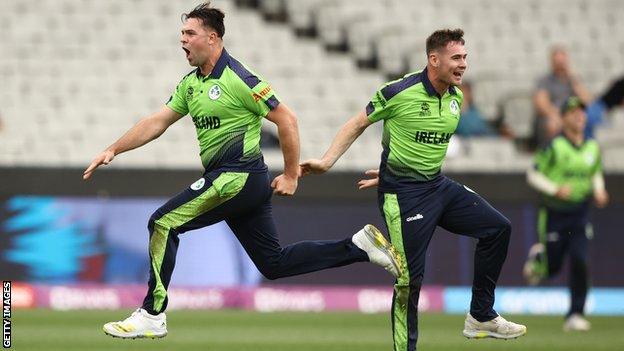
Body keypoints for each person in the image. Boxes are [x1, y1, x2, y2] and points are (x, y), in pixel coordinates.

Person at [83, 2, 402, 339]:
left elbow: (287, 119)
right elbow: (157, 121)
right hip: (238, 183)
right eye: (182, 34)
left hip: (237, 176)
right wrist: (113, 148)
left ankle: (152, 313)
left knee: (162, 222)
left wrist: (292, 173)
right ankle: (359, 246)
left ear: (212, 38)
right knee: (273, 264)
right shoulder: (191, 84)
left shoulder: (238, 77)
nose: (183, 41)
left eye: (189, 34)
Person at [301, 29, 526, 351]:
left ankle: (480, 315)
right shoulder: (399, 91)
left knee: (497, 228)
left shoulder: (455, 98)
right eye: (456, 58)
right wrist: (326, 161)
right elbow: (356, 123)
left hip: (437, 185)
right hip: (404, 195)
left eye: (465, 58)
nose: (463, 64)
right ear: (434, 60)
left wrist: (395, 164)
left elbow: (421, 144)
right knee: (409, 280)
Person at [524, 96, 609, 332]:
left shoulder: (592, 146)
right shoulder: (554, 146)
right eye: (573, 112)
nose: (579, 116)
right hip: (554, 213)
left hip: (580, 212)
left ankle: (575, 314)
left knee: (580, 260)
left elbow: (594, 173)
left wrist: (600, 191)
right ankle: (540, 259)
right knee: (552, 268)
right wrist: (555, 189)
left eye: (582, 112)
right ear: (563, 118)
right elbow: (532, 174)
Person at [532, 46, 592, 149]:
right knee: (550, 123)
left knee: (587, 119)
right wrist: (556, 115)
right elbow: (541, 103)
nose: (560, 64)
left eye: (562, 61)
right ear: (552, 62)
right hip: (554, 115)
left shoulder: (573, 80)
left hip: (571, 113)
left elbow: (587, 100)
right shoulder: (545, 81)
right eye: (557, 61)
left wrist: (573, 79)